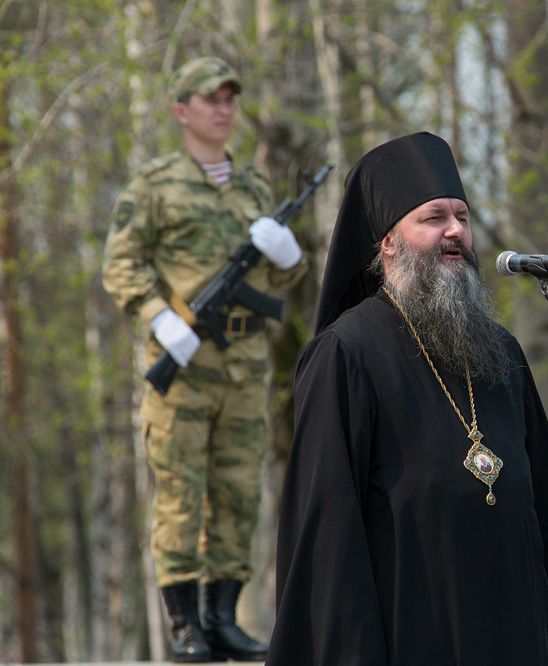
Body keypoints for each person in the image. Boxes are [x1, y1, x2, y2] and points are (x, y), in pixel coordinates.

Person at [267, 131, 548, 665]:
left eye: (462, 216)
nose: (455, 232)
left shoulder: (501, 353)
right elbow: (328, 538)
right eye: (433, 218)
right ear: (386, 241)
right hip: (409, 635)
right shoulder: (346, 353)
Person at [102, 56, 308, 663]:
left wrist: (290, 252)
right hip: (184, 362)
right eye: (210, 99)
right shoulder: (154, 184)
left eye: (229, 99)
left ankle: (224, 618)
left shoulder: (253, 188)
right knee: (180, 494)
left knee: (239, 491)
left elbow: (283, 275)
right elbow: (120, 263)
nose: (223, 109)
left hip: (245, 363)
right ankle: (185, 625)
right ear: (181, 110)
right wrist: (160, 316)